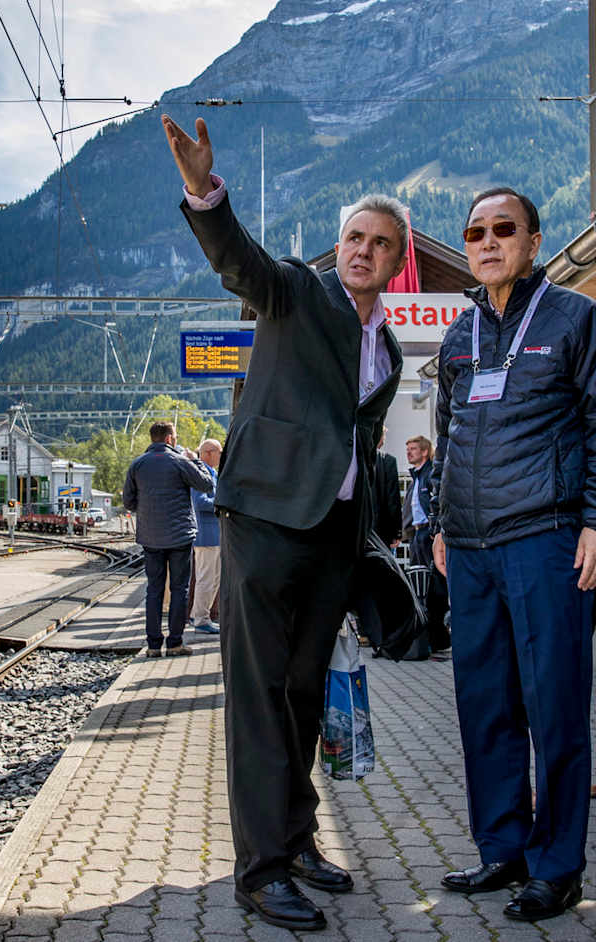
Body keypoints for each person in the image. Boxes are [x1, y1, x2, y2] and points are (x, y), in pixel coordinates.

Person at [163, 113, 414, 932]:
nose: (362, 250)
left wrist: (370, 539)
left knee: (304, 693)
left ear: (397, 260)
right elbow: (241, 262)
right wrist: (204, 191)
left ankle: (297, 839)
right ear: (339, 245)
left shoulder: (388, 350)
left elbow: (359, 444)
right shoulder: (298, 291)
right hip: (266, 521)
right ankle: (260, 870)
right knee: (260, 697)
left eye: (378, 243)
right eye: (353, 237)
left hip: (333, 537)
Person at [430, 186, 596, 922]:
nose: (487, 242)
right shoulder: (460, 334)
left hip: (546, 539)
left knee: (553, 707)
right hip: (471, 549)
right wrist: (441, 523)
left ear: (532, 239)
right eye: (475, 232)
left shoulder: (576, 318)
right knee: (484, 705)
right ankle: (503, 849)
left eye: (502, 229)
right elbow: (450, 432)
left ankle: (556, 867)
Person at [120, 421, 214, 657]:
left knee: (154, 590)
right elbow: (207, 484)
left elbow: (128, 502)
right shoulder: (180, 461)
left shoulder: (137, 464)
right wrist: (196, 460)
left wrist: (147, 510)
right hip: (180, 537)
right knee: (179, 589)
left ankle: (153, 645)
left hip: (150, 537)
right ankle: (174, 643)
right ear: (170, 438)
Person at [403, 434, 449, 654]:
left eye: (413, 448)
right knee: (419, 586)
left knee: (434, 587)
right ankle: (427, 635)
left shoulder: (430, 474)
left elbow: (436, 501)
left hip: (428, 535)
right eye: (407, 449)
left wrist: (435, 529)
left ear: (424, 451)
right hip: (417, 535)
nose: (409, 452)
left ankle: (438, 637)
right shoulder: (416, 477)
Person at [189, 438, 222, 634]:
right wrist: (222, 502)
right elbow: (199, 503)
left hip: (214, 535)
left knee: (214, 579)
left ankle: (201, 615)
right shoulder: (200, 474)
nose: (221, 455)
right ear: (208, 453)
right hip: (206, 535)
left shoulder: (211, 473)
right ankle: (201, 620)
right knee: (206, 579)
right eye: (219, 452)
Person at [372, 427, 402, 549]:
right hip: (380, 532)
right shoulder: (387, 461)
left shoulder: (352, 458)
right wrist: (396, 532)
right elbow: (393, 500)